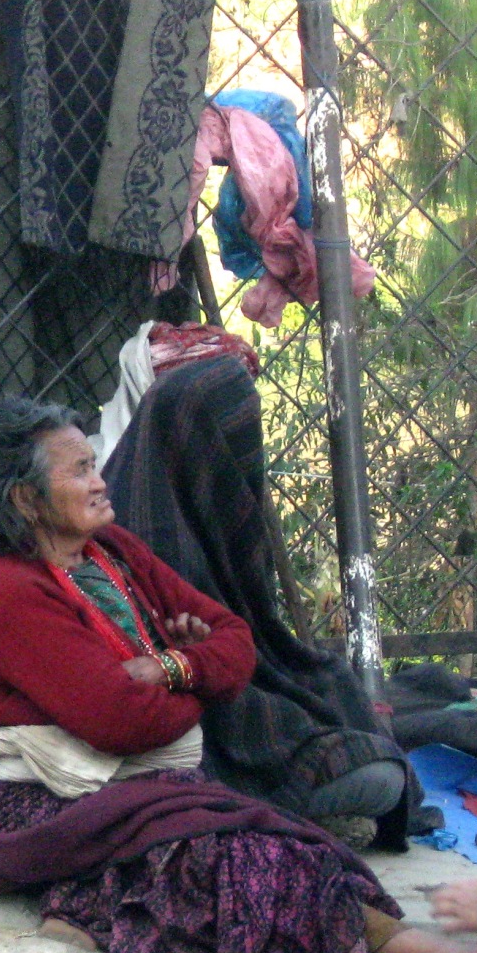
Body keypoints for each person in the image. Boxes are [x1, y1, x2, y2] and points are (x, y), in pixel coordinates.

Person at [0, 397, 477, 953]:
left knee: (281, 854)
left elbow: (235, 641)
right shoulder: (9, 589)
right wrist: (195, 690)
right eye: (79, 471)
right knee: (226, 868)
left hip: (133, 781)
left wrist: (172, 667)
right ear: (27, 501)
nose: (98, 481)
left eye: (95, 465)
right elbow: (123, 722)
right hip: (45, 800)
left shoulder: (112, 552)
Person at [102, 354, 424, 847]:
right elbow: (199, 675)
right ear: (207, 437)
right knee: (379, 776)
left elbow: (248, 637)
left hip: (219, 688)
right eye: (240, 437)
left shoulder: (168, 494)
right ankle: (259, 804)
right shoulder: (147, 541)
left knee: (336, 689)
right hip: (192, 740)